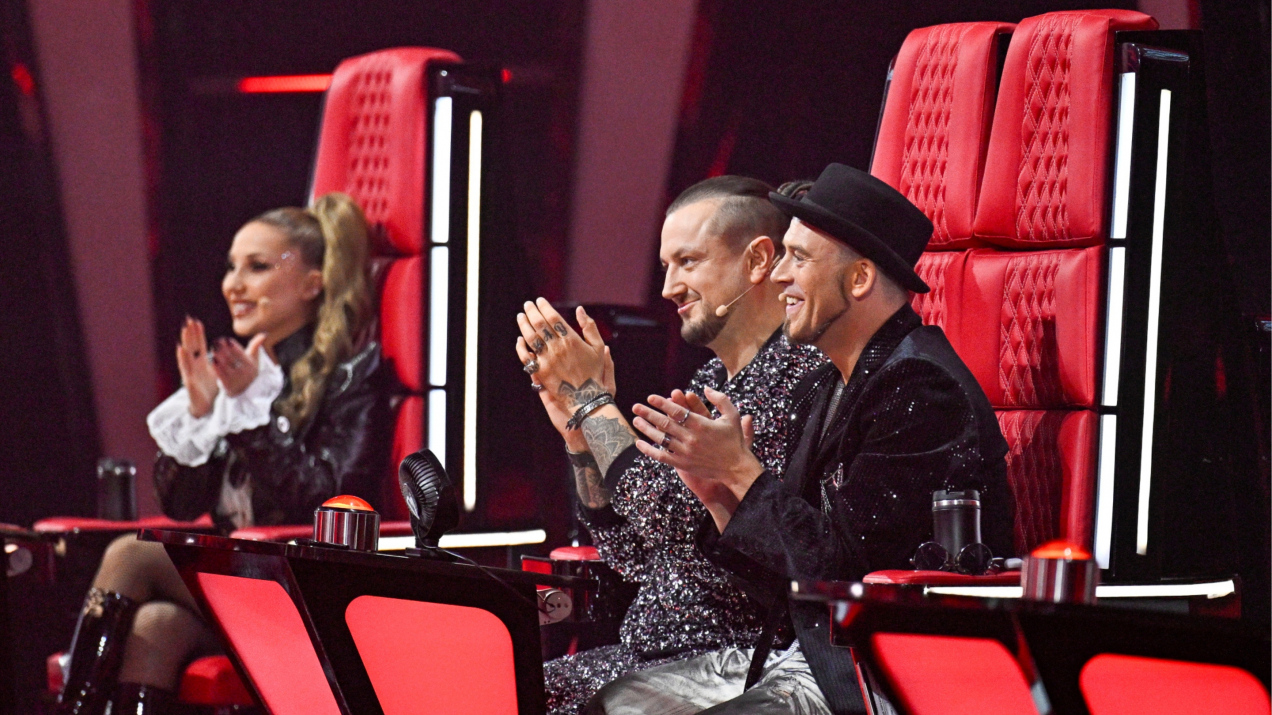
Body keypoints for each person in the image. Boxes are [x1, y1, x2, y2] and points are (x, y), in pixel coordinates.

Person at [593, 163, 1015, 715]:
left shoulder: (920, 387)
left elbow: (843, 573)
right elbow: (787, 572)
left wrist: (740, 472)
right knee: (616, 704)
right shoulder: (825, 384)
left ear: (858, 279)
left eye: (798, 258)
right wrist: (717, 493)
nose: (778, 277)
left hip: (880, 667)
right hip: (807, 652)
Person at [57, 193, 394, 715]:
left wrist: (250, 423)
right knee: (156, 628)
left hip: (302, 591)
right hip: (239, 582)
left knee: (129, 554)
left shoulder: (351, 377)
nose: (233, 284)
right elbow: (182, 504)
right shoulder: (236, 372)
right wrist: (201, 413)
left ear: (313, 283)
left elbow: (329, 500)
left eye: (257, 267)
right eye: (232, 267)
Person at [514, 177, 826, 714]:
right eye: (666, 266)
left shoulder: (798, 374)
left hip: (726, 667)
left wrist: (591, 402)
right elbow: (635, 555)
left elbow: (675, 522)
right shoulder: (711, 379)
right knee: (486, 684)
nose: (668, 288)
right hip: (642, 657)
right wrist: (580, 438)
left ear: (757, 261)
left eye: (688, 261)